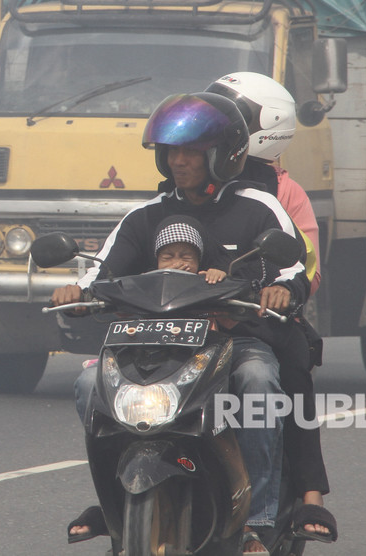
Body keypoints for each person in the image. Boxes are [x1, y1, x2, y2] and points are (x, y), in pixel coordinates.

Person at [57, 91, 310, 554]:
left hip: (234, 341)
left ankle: (259, 519)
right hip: (152, 346)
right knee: (89, 384)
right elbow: (100, 275)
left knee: (258, 381)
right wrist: (77, 293)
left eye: (191, 151)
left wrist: (283, 289)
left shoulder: (257, 206)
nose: (179, 161)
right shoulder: (145, 215)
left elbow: (295, 268)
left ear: (223, 154)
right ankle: (113, 503)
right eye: (172, 151)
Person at [204, 72, 335, 542]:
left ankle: (308, 496)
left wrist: (279, 290)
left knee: (290, 377)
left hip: (261, 320)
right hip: (194, 320)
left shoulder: (285, 193)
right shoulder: (191, 180)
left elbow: (309, 268)